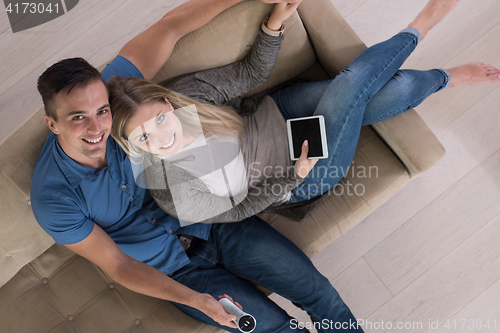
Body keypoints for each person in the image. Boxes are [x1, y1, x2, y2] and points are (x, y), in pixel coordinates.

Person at [31, 0, 366, 332]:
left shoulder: (112, 97)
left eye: (102, 111)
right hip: (178, 272)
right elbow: (117, 265)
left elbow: (170, 26)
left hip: (216, 222)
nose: (97, 127)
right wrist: (193, 298)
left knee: (320, 295)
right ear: (52, 123)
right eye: (78, 118)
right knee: (281, 330)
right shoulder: (54, 199)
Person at [107, 0, 500, 226]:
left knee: (378, 89)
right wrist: (292, 178)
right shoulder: (173, 191)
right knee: (352, 86)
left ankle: (446, 77)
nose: (163, 137)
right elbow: (241, 209)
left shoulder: (185, 99)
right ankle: (423, 26)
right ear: (131, 145)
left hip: (279, 113)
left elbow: (249, 73)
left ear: (167, 104)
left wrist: (275, 22)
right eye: (144, 137)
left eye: (160, 118)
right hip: (300, 171)